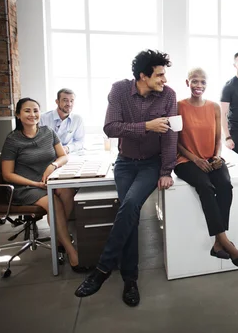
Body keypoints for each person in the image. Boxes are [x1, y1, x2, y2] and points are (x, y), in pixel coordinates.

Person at [75, 49, 178, 306]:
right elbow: (110, 128)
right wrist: (146, 126)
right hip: (124, 164)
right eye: (159, 75)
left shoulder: (168, 96)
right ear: (143, 76)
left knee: (130, 205)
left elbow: (170, 136)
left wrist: (166, 171)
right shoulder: (120, 90)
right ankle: (130, 280)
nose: (164, 79)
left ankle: (102, 269)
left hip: (150, 165)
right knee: (129, 216)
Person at [173, 68, 238, 268]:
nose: (199, 85)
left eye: (203, 82)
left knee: (225, 185)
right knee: (206, 187)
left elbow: (217, 137)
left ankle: (217, 243)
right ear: (187, 83)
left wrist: (216, 155)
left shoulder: (214, 107)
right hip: (186, 161)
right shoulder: (178, 107)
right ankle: (225, 242)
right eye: (194, 81)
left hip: (211, 157)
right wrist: (195, 159)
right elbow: (175, 141)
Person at [1, 98, 85, 272]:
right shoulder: (13, 140)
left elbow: (63, 156)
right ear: (18, 114)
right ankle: (71, 251)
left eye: (35, 110)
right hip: (26, 187)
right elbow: (7, 174)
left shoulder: (48, 132)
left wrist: (52, 165)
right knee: (54, 203)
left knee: (68, 192)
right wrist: (34, 183)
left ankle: (58, 236)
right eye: (27, 111)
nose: (32, 114)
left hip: (49, 181)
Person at [39, 88, 85, 154]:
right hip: (46, 154)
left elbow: (80, 141)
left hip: (67, 154)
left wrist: (67, 148)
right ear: (57, 101)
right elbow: (38, 141)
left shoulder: (77, 119)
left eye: (71, 101)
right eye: (65, 100)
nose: (69, 104)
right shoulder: (43, 118)